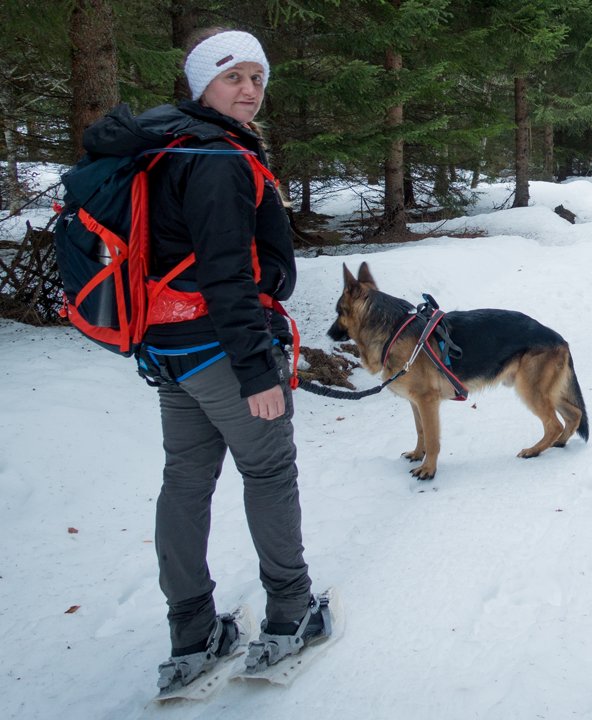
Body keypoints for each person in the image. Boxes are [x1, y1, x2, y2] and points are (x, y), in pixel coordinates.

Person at [80, 28, 329, 691]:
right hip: (219, 348)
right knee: (269, 469)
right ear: (201, 87)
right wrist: (255, 372)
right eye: (232, 78)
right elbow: (226, 276)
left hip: (167, 348)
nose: (249, 90)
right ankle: (290, 614)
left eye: (256, 77)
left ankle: (193, 631)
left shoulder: (167, 148)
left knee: (186, 480)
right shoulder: (215, 159)